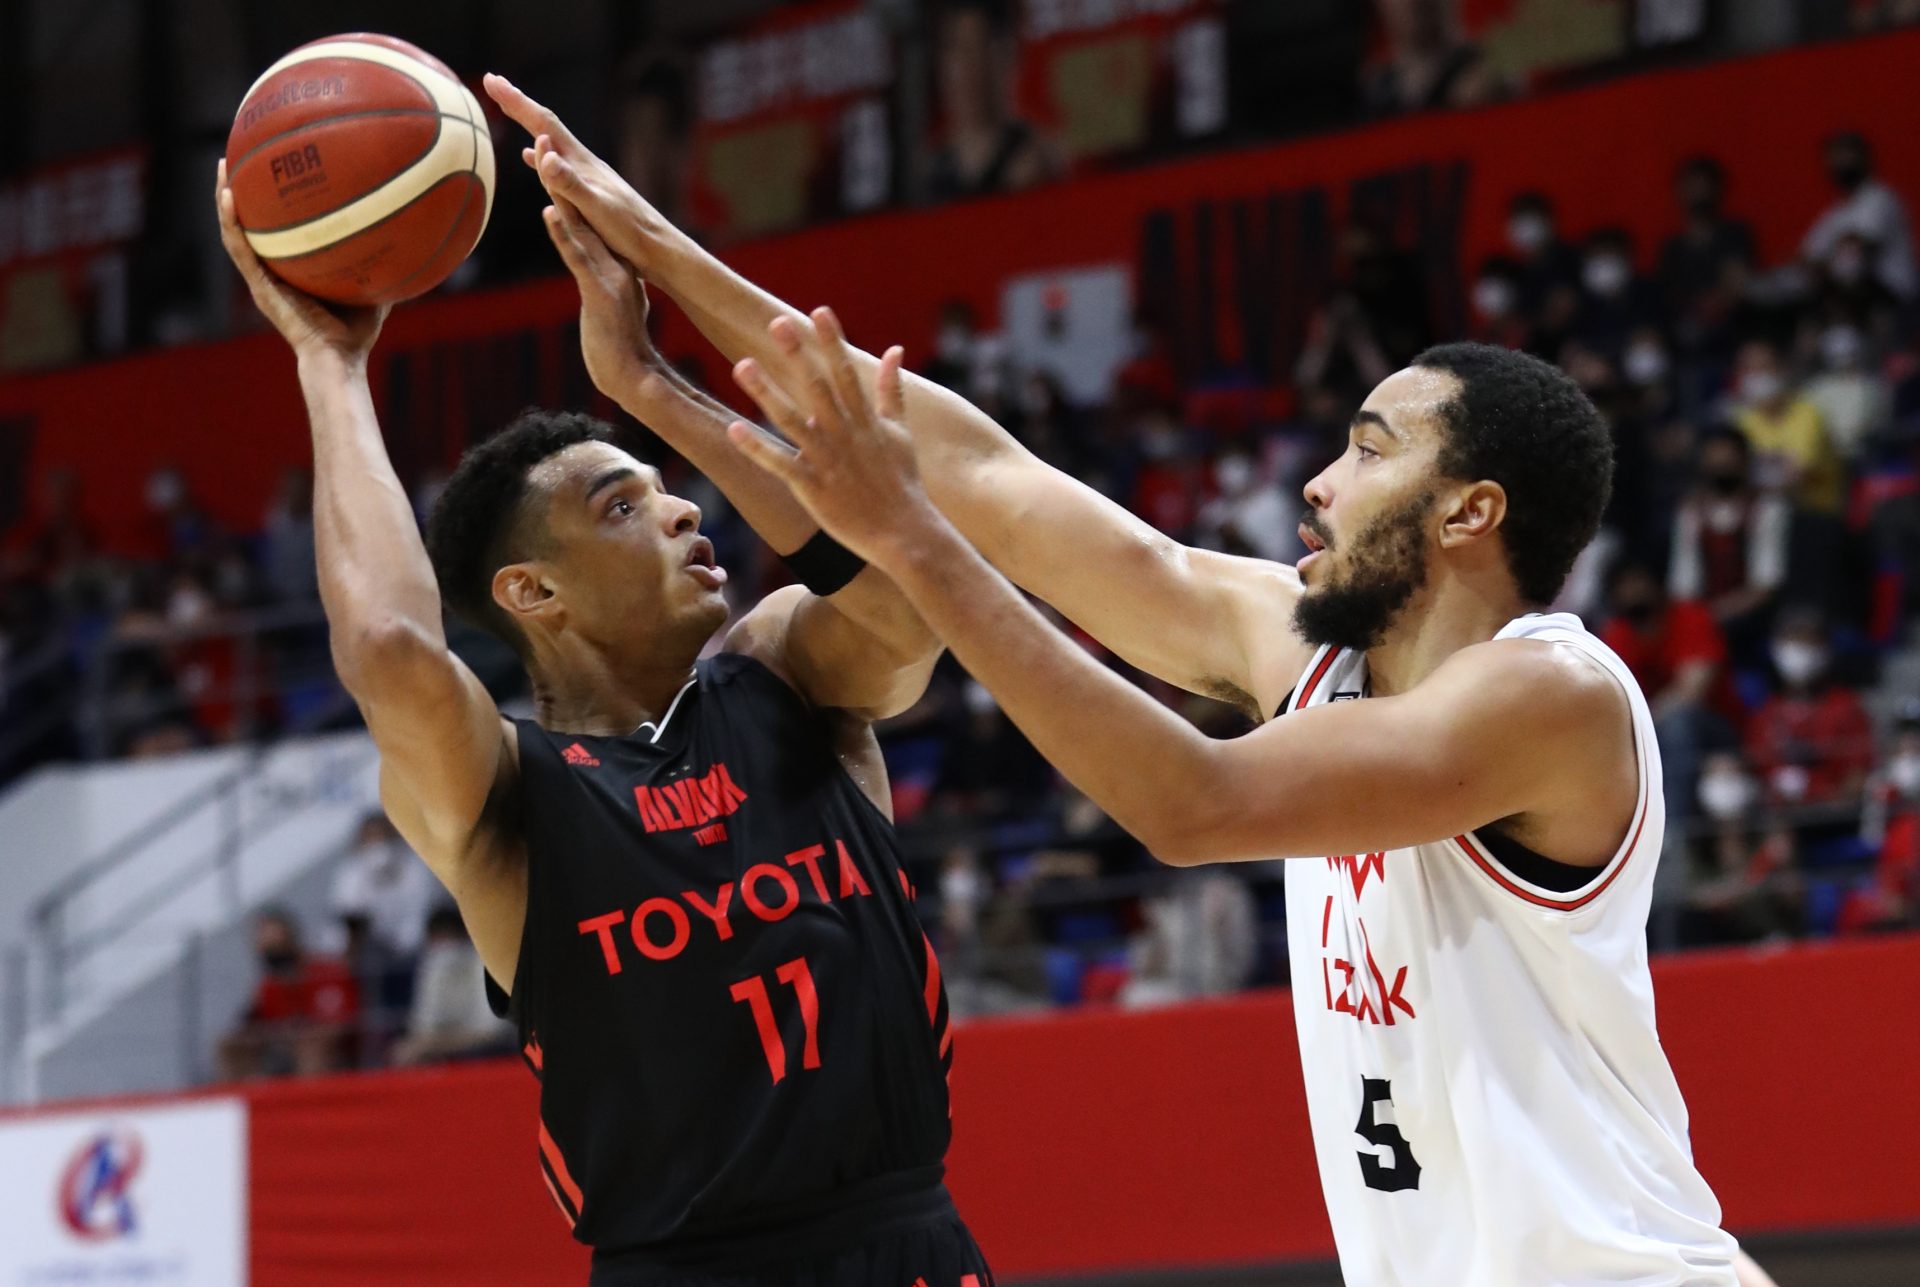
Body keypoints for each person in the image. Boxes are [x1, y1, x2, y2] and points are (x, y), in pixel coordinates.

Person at [487, 87, 1785, 1286]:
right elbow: (989, 478)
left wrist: (916, 541)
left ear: (1469, 512)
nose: (1319, 482)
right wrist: (661, 283)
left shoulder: (1554, 693)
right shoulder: (1311, 652)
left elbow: (1192, 803)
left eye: (1368, 451)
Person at [214, 145, 988, 1287]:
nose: (685, 511)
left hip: (905, 1242)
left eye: (669, 491)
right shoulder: (508, 799)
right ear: (535, 593)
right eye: (624, 506)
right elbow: (387, 648)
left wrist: (650, 385)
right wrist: (330, 363)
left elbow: (901, 593)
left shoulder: (784, 669)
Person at [217, 908, 359, 1080]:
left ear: (291, 939)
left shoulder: (327, 972)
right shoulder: (268, 985)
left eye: (277, 944)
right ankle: (245, 1093)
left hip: (331, 1052)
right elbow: (256, 1022)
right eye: (266, 947)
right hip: (281, 1046)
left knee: (311, 1044)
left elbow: (342, 1024)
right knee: (230, 1045)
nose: (272, 952)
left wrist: (301, 1032)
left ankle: (309, 1095)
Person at [390, 906, 516, 1065]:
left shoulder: (485, 965)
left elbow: (491, 1034)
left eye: (449, 939)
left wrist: (431, 1045)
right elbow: (423, 1028)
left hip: (494, 1052)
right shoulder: (432, 967)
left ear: (466, 937)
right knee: (405, 1054)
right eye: (438, 940)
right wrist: (422, 1045)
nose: (445, 949)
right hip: (449, 1049)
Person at [1800, 130, 1915, 300]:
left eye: (1847, 154)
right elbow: (1806, 257)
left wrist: (1827, 262)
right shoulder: (1835, 212)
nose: (1840, 163)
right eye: (1835, 157)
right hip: (1844, 296)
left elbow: (1858, 251)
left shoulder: (1880, 197)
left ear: (1864, 158)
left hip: (1891, 297)